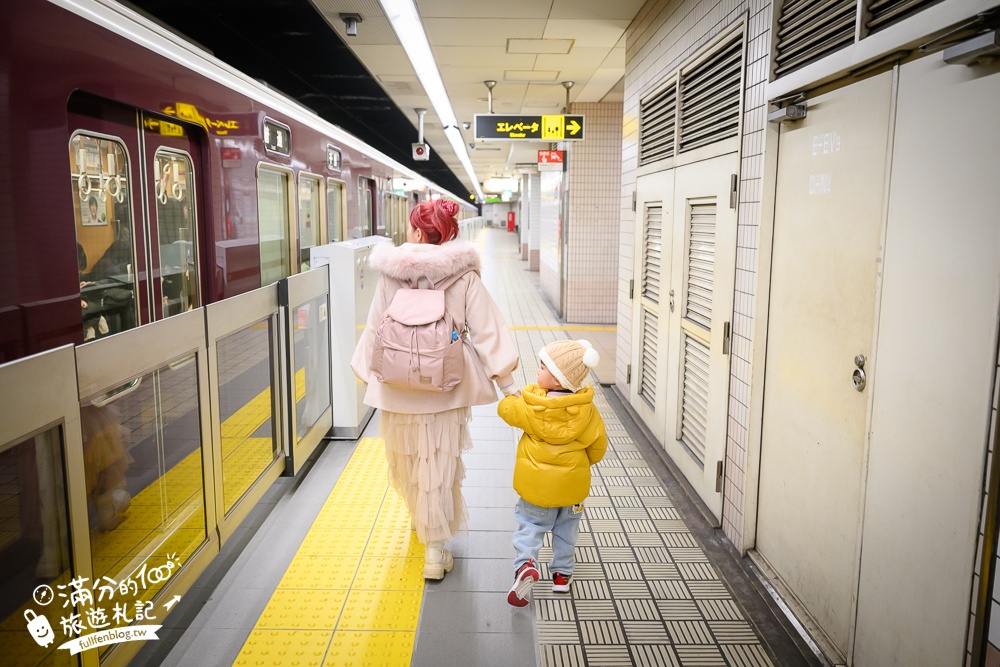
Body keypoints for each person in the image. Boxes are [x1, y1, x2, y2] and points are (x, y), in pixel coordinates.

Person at [351, 199, 520, 580]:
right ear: (448, 235)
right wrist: (507, 383)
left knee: (409, 459)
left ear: (415, 233)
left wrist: (366, 374)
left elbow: (376, 327)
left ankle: (421, 520)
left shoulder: (391, 273)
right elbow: (488, 330)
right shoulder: (464, 275)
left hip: (398, 387)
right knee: (440, 465)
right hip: (447, 386)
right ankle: (435, 551)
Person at [498, 339, 608, 607]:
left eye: (543, 367)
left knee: (530, 526)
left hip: (537, 489)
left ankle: (525, 565)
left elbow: (506, 409)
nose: (538, 370)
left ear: (557, 379)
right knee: (567, 531)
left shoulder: (533, 406)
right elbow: (598, 447)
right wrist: (579, 467)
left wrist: (514, 394)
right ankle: (561, 576)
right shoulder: (587, 410)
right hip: (572, 491)